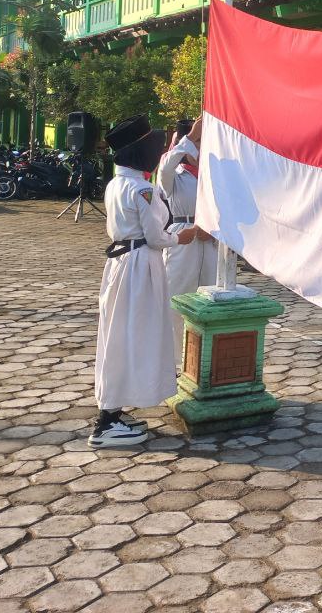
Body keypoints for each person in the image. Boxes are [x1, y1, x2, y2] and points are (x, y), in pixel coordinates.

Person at [92, 116, 197, 449]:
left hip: (122, 265)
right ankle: (107, 422)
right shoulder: (142, 189)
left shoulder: (116, 184)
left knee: (119, 335)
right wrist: (183, 237)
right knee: (134, 336)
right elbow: (155, 236)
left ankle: (113, 410)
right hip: (139, 267)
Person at [157, 117, 217, 357]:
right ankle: (173, 361)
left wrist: (213, 229)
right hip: (182, 240)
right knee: (177, 300)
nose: (199, 148)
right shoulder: (174, 175)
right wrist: (189, 138)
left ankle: (204, 361)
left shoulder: (214, 174)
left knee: (211, 300)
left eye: (202, 142)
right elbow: (164, 167)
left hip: (212, 241)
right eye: (197, 142)